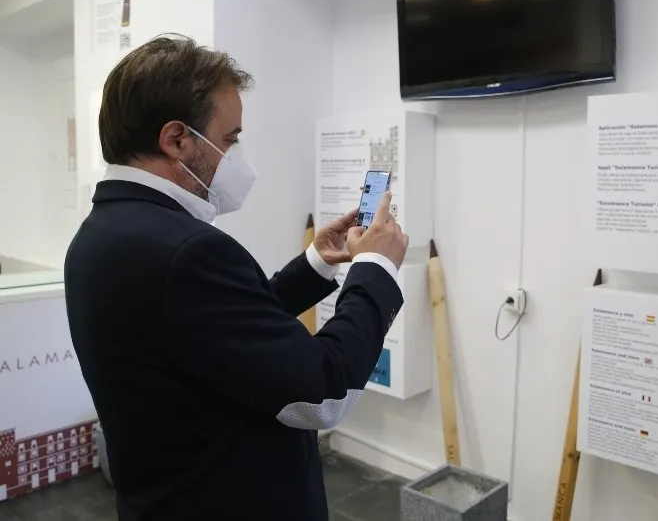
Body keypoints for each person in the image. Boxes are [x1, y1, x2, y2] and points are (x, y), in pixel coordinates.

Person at [64, 34, 408, 521]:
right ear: (177, 139)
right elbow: (322, 393)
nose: (237, 153)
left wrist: (317, 262)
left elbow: (219, 334)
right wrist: (376, 269)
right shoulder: (185, 251)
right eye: (231, 138)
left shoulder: (101, 234)